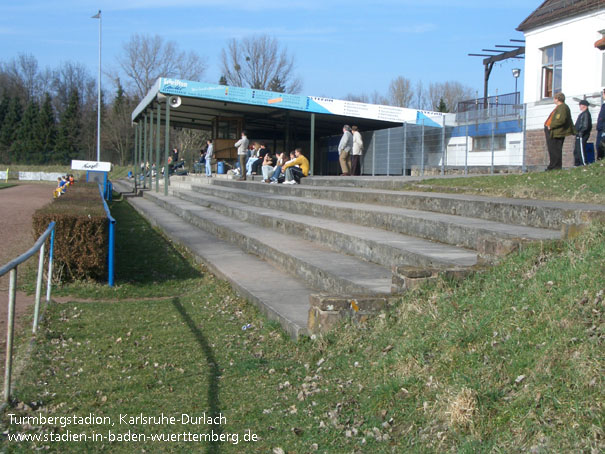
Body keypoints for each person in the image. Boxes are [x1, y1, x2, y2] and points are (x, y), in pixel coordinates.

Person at [544, 93, 575, 171]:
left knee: (555, 149)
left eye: (554, 98)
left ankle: (555, 166)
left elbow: (561, 120)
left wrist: (551, 126)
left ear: (557, 99)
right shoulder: (559, 107)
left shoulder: (562, 107)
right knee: (552, 149)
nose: (554, 100)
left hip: (557, 132)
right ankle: (552, 165)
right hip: (553, 131)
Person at [573, 100, 592, 166]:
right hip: (578, 135)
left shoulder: (586, 114)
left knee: (581, 150)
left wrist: (580, 133)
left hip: (582, 135)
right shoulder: (582, 114)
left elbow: (585, 125)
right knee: (576, 150)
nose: (580, 106)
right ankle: (577, 164)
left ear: (584, 106)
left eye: (580, 105)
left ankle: (584, 163)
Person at [597, 88, 605, 160]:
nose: (602, 95)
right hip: (600, 130)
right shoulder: (603, 105)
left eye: (603, 93)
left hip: (603, 130)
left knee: (601, 147)